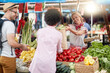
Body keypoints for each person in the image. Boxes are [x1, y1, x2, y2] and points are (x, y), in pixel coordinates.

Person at [29, 8, 63, 73]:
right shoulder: (59, 34)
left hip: (37, 63)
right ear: (57, 21)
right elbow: (59, 50)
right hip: (49, 66)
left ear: (45, 20)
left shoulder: (40, 31)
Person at [0, 3, 28, 73]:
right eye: (15, 12)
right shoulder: (9, 24)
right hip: (8, 57)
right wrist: (22, 46)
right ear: (8, 10)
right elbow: (11, 42)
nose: (17, 15)